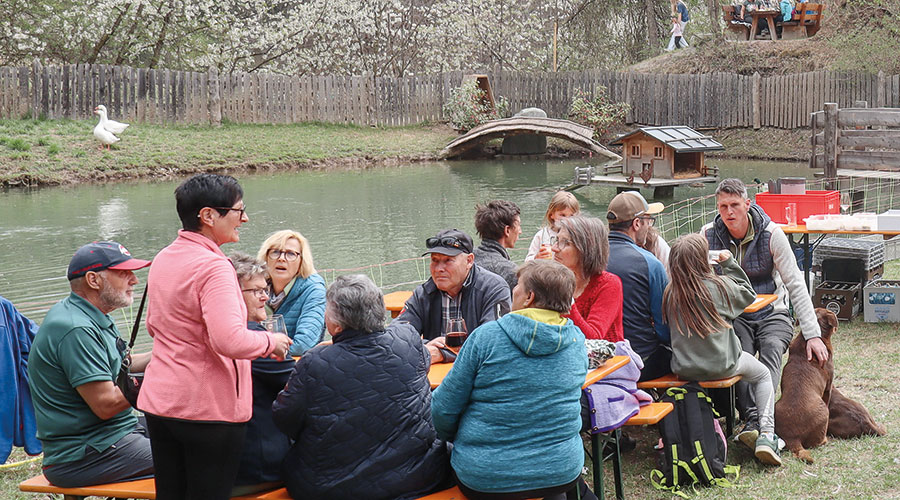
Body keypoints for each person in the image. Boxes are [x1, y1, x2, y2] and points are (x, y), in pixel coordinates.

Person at [138, 173, 292, 500]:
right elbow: (230, 340)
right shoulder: (214, 267)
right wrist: (271, 342)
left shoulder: (164, 258)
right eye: (238, 211)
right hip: (206, 410)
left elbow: (154, 326)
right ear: (208, 216)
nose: (245, 218)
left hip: (160, 403)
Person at [273, 274, 449, 500]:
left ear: (336, 324)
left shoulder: (313, 363)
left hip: (332, 487)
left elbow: (284, 419)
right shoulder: (408, 339)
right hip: (418, 475)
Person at [431, 260, 590, 500]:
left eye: (517, 285)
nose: (513, 290)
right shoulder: (576, 341)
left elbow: (442, 409)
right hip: (561, 471)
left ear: (529, 297)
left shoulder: (486, 337)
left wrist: (460, 439)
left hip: (487, 476)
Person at [702, 178, 827, 447]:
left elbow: (795, 283)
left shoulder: (772, 234)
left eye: (735, 205)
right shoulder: (707, 234)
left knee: (771, 349)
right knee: (741, 354)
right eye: (723, 206)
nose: (729, 212)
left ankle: (763, 421)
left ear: (748, 204)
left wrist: (812, 333)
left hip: (773, 312)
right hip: (735, 315)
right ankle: (752, 420)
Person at [28, 241, 154, 487]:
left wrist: (173, 352)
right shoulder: (76, 328)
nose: (134, 280)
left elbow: (124, 365)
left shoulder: (91, 315)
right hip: (85, 454)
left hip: (113, 435)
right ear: (93, 280)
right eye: (123, 273)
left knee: (201, 428)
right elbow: (106, 405)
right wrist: (168, 373)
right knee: (200, 456)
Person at [663, 234, 782, 466]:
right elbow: (748, 294)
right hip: (724, 365)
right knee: (763, 374)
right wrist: (729, 264)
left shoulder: (670, 293)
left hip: (685, 370)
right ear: (703, 260)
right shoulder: (719, 286)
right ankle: (767, 433)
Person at [228, 252, 293, 496]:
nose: (265, 296)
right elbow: (303, 385)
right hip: (258, 469)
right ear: (230, 295)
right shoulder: (250, 339)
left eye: (265, 288)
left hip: (221, 464)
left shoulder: (208, 332)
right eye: (256, 291)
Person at [395, 229, 511, 364]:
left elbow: (493, 342)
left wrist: (443, 353)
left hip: (479, 377)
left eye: (448, 260)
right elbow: (396, 336)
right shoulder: (425, 293)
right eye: (434, 260)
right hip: (434, 379)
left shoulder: (494, 289)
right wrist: (425, 347)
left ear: (469, 261)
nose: (439, 268)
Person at [605, 191, 671, 381]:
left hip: (599, 359)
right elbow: (664, 325)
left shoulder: (589, 258)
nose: (649, 227)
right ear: (636, 223)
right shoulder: (650, 263)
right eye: (648, 221)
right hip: (641, 360)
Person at [552, 214, 624, 342]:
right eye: (557, 240)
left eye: (565, 243)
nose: (554, 248)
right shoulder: (554, 279)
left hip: (605, 360)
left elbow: (593, 337)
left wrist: (566, 298)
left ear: (586, 249)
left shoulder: (609, 284)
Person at [257, 230, 326, 356]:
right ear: (266, 257)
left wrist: (258, 349)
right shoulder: (254, 287)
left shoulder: (314, 290)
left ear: (301, 261)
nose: (281, 259)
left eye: (290, 254)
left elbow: (303, 345)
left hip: (297, 367)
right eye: (275, 252)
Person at [473, 200, 522, 292]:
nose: (520, 231)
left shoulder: (467, 259)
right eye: (518, 225)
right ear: (507, 230)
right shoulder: (511, 272)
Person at [525, 191, 580, 261]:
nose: (567, 220)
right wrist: (536, 258)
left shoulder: (578, 236)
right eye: (562, 215)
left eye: (571, 216)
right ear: (551, 214)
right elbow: (527, 261)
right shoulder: (541, 235)